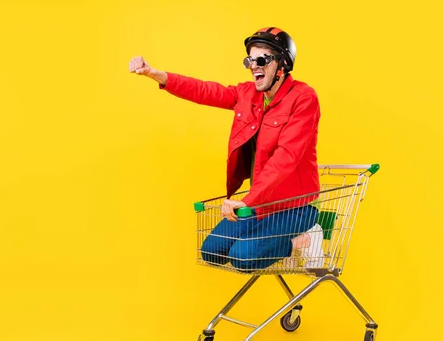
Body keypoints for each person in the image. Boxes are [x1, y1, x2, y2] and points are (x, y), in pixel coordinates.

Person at [129, 27, 322, 271]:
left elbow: (287, 157)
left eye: (261, 59)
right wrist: (156, 75)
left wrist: (247, 200)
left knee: (243, 258)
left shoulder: (304, 98)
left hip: (294, 206)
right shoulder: (248, 94)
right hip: (261, 203)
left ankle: (304, 239)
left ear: (282, 64)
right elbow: (205, 91)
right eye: (249, 60)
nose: (253, 66)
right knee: (212, 251)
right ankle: (274, 239)